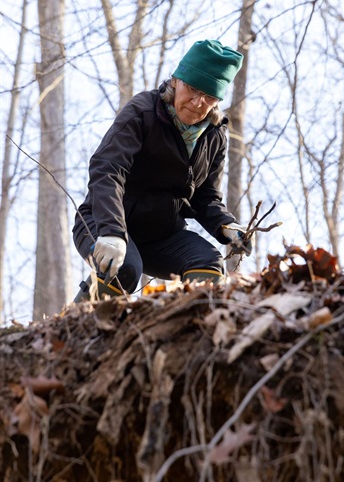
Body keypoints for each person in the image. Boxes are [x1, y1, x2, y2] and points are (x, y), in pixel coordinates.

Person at [72, 39, 251, 301]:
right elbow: (108, 169)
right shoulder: (143, 112)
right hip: (103, 222)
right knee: (123, 269)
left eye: (209, 96)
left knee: (208, 263)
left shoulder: (215, 136)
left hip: (161, 235)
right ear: (176, 80)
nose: (198, 102)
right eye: (192, 88)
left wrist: (225, 225)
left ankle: (188, 336)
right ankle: (77, 330)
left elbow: (205, 197)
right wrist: (111, 231)